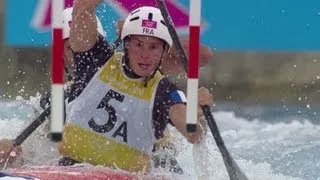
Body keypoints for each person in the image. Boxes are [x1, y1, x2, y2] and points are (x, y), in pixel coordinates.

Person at [0, 1, 214, 174]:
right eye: (139, 44)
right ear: (127, 44)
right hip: (71, 167)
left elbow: (190, 127)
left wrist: (195, 113)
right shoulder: (90, 65)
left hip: (129, 173)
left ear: (163, 52)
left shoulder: (164, 90)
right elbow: (82, 8)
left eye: (153, 46)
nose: (145, 54)